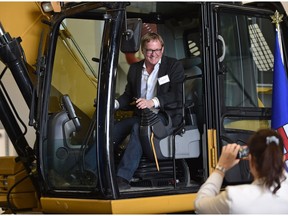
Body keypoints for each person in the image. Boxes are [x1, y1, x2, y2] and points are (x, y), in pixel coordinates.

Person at [113, 32, 184, 190]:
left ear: (163, 49)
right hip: (142, 115)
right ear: (143, 51)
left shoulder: (173, 66)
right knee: (112, 129)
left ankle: (122, 178)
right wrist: (115, 104)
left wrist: (152, 101)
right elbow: (128, 95)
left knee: (139, 128)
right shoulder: (136, 69)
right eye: (150, 50)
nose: (154, 54)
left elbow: (177, 94)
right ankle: (91, 171)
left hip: (165, 116)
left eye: (157, 50)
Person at [194, 128, 288, 214]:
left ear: (251, 160)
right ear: (283, 159)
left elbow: (199, 205)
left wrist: (220, 168)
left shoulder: (233, 197)